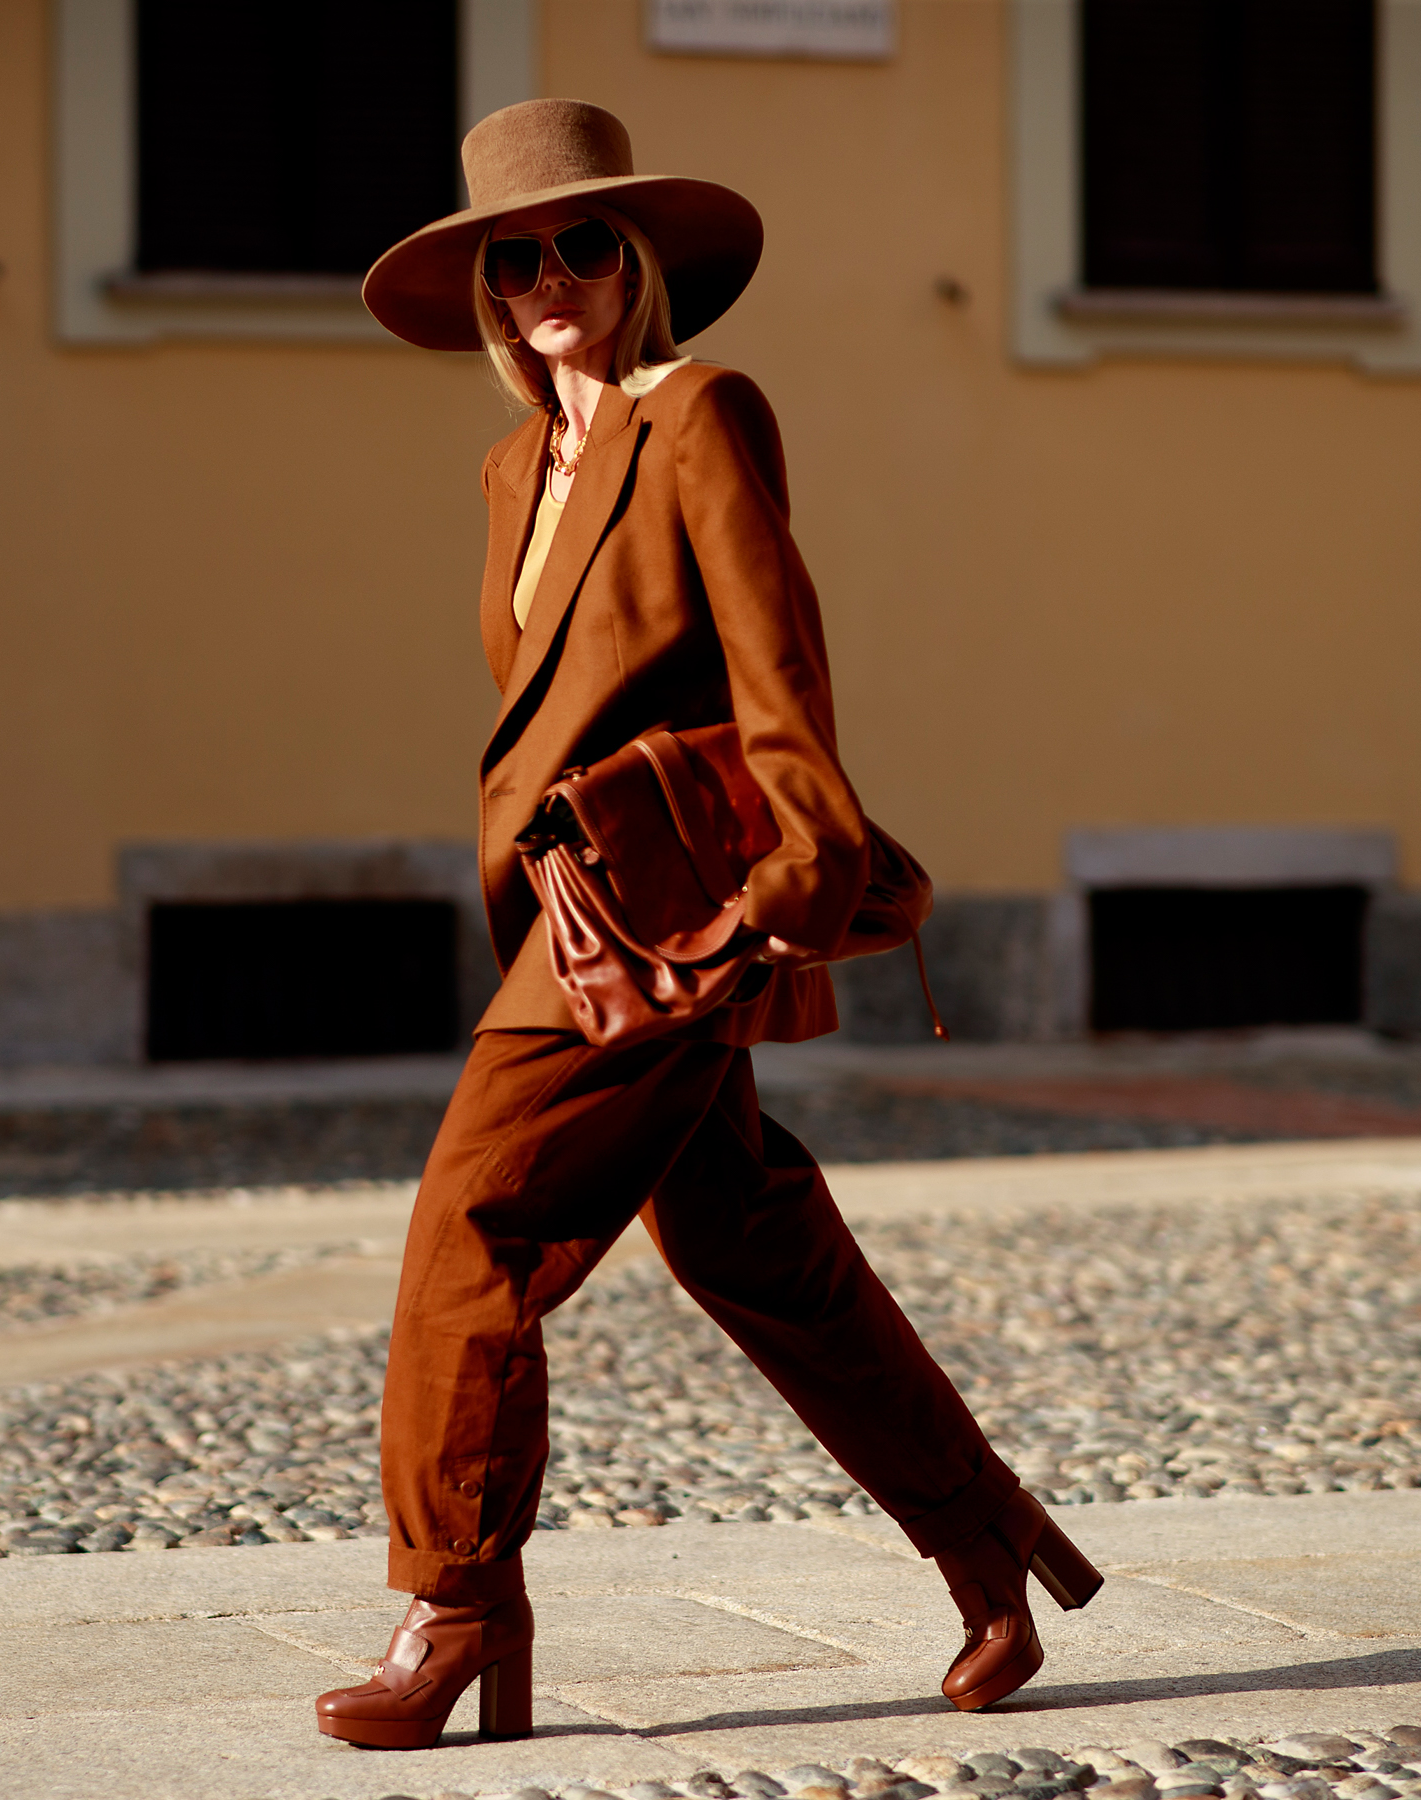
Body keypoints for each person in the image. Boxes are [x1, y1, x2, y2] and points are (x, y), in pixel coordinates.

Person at [318, 99, 1100, 1753]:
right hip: (571, 902)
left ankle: (455, 1602)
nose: (548, 277)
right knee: (755, 1245)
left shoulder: (701, 416)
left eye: (581, 244)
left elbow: (776, 655)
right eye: (513, 254)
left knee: (474, 1228)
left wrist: (799, 880)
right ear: (483, 284)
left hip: (677, 915)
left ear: (637, 261)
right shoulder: (513, 459)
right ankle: (988, 1543)